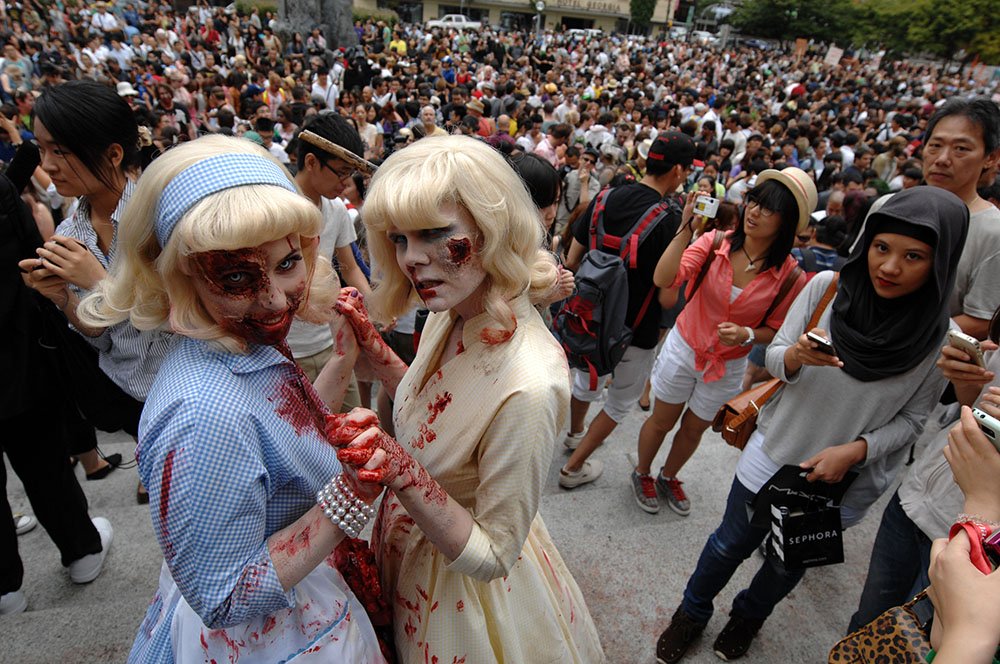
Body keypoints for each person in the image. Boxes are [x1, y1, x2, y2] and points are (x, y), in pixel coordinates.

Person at [77, 135, 386, 662]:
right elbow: (225, 593)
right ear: (177, 277)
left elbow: (281, 429)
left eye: (288, 263)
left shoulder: (240, 341)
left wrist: (341, 360)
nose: (272, 298)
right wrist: (348, 499)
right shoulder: (200, 413)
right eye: (238, 276)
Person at [654, 186, 969, 663]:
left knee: (785, 566)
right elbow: (775, 357)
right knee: (728, 545)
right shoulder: (828, 288)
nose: (889, 267)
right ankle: (692, 612)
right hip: (775, 449)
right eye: (881, 248)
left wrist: (857, 450)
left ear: (940, 264)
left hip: (839, 483)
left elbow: (912, 421)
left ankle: (748, 618)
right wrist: (797, 356)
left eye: (914, 256)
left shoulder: (937, 337)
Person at [332, 135, 605, 663]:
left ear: (493, 227)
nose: (412, 259)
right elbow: (441, 406)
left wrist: (401, 474)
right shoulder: (452, 304)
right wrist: (379, 354)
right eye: (399, 239)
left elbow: (496, 553)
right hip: (406, 543)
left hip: (459, 595)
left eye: (435, 234)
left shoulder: (531, 381)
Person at [18, 79, 173, 502]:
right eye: (41, 148)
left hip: (187, 387)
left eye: (60, 150)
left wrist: (98, 282)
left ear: (114, 153)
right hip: (130, 397)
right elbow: (100, 334)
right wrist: (63, 299)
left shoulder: (162, 213)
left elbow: (189, 315)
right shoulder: (71, 233)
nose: (47, 164)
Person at [631, 168, 814, 516]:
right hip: (685, 347)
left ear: (787, 222)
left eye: (768, 208)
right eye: (754, 202)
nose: (755, 212)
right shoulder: (714, 242)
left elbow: (776, 330)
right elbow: (663, 277)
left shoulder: (791, 276)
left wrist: (747, 334)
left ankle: (669, 475)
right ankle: (642, 471)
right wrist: (685, 227)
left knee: (694, 428)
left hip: (728, 365)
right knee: (662, 419)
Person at [1, 146, 112, 616]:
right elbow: (32, 261)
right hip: (18, 356)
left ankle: (5, 588)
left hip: (21, 355)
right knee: (44, 464)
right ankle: (81, 550)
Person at [558, 132, 694, 491]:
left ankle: (574, 434)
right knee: (619, 403)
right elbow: (667, 299)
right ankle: (573, 468)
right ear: (678, 171)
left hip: (589, 320)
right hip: (637, 331)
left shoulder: (603, 198)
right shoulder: (671, 221)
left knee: (586, 382)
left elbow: (572, 260)